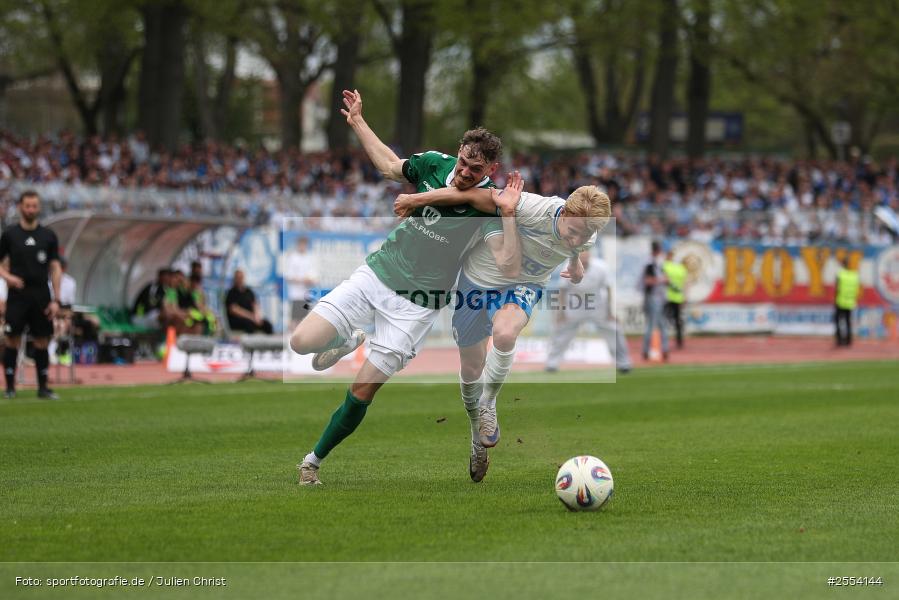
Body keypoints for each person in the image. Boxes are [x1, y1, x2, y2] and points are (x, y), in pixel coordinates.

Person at [289, 88, 502, 486]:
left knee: (362, 390)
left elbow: (482, 215)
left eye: (476, 168)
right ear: (458, 152)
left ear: (491, 167)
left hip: (416, 306)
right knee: (300, 342)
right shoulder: (435, 163)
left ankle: (311, 463)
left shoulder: (489, 202)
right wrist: (357, 122)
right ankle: (348, 339)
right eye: (463, 162)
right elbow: (390, 165)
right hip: (377, 274)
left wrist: (420, 202)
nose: (465, 171)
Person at [394, 180, 610, 481]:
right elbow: (468, 195)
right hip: (477, 282)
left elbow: (577, 246)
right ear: (564, 213)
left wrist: (574, 264)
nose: (575, 240)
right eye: (572, 232)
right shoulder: (531, 207)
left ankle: (489, 403)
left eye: (582, 236)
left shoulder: (588, 231)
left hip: (523, 285)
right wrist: (415, 199)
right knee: (471, 368)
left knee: (506, 333)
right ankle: (475, 437)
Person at [0, 190, 62, 399]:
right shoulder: (10, 235)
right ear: (20, 207)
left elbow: (55, 267)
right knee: (11, 340)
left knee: (42, 340)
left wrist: (56, 298)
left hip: (41, 294)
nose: (31, 210)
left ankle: (43, 388)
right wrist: (8, 278)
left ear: (39, 207)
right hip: (18, 294)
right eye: (27, 206)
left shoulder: (48, 236)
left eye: (34, 206)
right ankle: (10, 387)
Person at [546, 250, 632, 374]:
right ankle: (552, 363)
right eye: (582, 255)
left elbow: (608, 289)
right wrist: (561, 312)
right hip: (575, 305)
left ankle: (623, 363)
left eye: (587, 255)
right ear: (577, 256)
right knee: (560, 331)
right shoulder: (568, 266)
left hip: (597, 305)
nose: (585, 258)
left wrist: (610, 312)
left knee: (614, 330)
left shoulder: (601, 267)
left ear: (590, 255)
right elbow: (562, 290)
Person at [642, 240, 669, 361]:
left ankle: (663, 349)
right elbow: (647, 281)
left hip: (655, 297)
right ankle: (648, 350)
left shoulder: (654, 263)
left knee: (659, 324)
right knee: (654, 324)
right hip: (653, 297)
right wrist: (661, 280)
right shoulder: (650, 263)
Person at [226, 269, 274, 334]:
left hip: (252, 318)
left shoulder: (249, 291)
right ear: (235, 279)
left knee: (267, 325)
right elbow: (234, 310)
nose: (240, 279)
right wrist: (251, 317)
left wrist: (257, 317)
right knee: (249, 324)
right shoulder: (231, 293)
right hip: (238, 320)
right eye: (238, 277)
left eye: (241, 277)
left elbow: (255, 305)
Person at [284, 237, 319, 325]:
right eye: (301, 244)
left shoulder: (310, 258)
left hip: (307, 294)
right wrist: (302, 280)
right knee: (294, 319)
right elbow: (289, 277)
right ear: (298, 245)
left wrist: (310, 280)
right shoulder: (293, 257)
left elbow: (314, 277)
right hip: (295, 294)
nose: (302, 246)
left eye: (304, 244)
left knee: (305, 319)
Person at [662, 250, 687, 349]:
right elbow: (685, 284)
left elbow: (664, 280)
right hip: (678, 297)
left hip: (666, 297)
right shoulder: (681, 268)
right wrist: (684, 297)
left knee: (663, 320)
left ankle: (663, 341)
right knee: (677, 321)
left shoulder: (665, 266)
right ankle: (679, 341)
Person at [834, 256, 860, 347]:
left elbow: (837, 288)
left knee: (838, 321)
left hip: (840, 301)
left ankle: (839, 340)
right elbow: (856, 290)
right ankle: (848, 340)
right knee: (848, 322)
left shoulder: (840, 274)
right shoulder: (854, 275)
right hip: (850, 302)